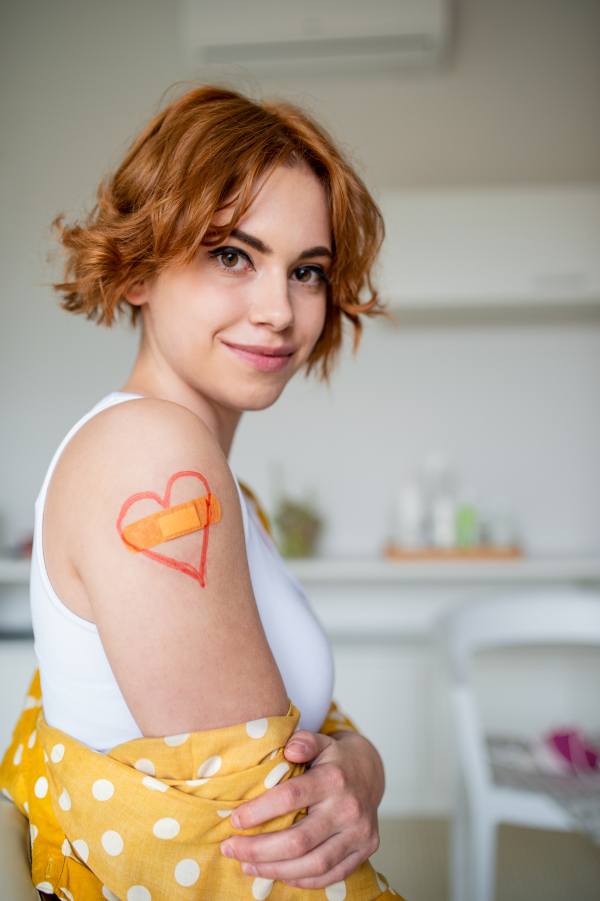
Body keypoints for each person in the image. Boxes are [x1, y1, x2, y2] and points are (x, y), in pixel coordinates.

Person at [1, 86, 401, 900]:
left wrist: (362, 765)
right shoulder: (148, 450)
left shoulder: (230, 490)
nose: (280, 310)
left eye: (308, 271)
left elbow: (296, 738)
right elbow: (262, 830)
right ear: (142, 264)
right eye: (232, 255)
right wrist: (350, 765)